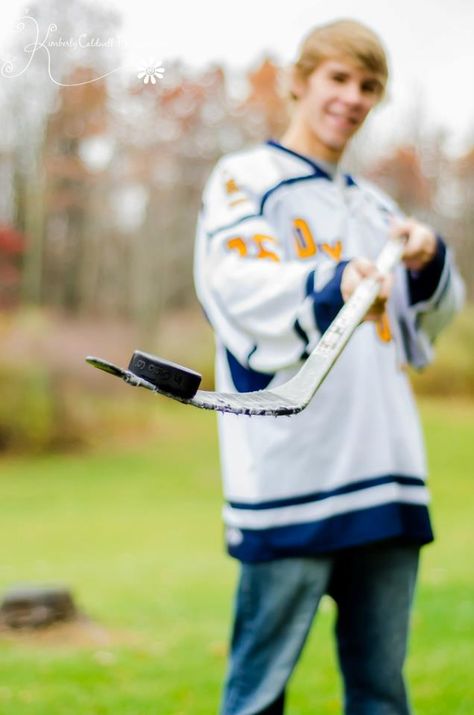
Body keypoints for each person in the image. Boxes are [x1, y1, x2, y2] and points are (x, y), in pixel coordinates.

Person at [194, 19, 464, 715]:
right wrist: (329, 279)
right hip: (293, 477)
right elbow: (236, 288)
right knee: (256, 697)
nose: (352, 97)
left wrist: (428, 258)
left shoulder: (377, 207)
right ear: (300, 79)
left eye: (368, 86)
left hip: (386, 471)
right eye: (338, 78)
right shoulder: (245, 179)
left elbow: (422, 330)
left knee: (381, 693)